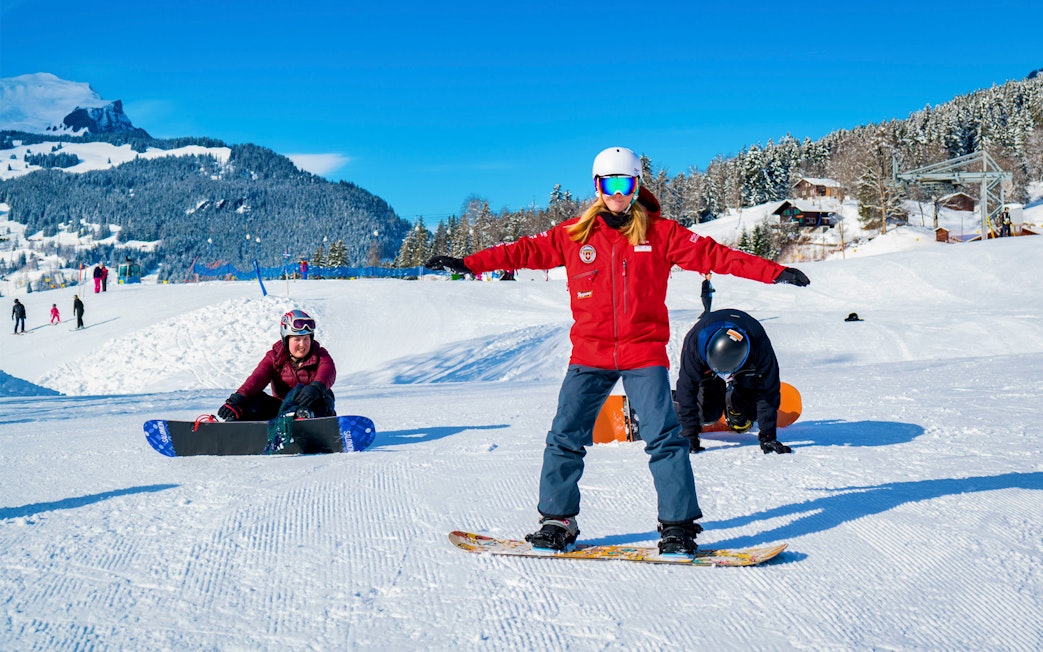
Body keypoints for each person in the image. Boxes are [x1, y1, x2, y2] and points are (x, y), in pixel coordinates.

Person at [424, 146, 810, 556]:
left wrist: (775, 272)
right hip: (589, 354)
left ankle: (678, 528)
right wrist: (469, 264)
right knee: (565, 437)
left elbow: (717, 255)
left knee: (666, 437)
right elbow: (519, 251)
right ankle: (558, 521)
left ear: (637, 185)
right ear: (597, 187)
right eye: (609, 184)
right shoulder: (573, 234)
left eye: (625, 184)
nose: (618, 193)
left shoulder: (661, 233)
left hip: (643, 353)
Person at [675, 308, 793, 456]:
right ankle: (671, 402)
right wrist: (689, 435)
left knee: (750, 412)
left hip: (744, 363)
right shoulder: (695, 345)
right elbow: (687, 388)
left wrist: (768, 437)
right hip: (708, 357)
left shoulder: (760, 349)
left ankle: (733, 401)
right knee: (707, 415)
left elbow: (768, 392)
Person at [217, 309, 337, 422]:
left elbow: (327, 371)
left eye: (306, 339)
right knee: (253, 400)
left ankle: (308, 422)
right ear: (286, 340)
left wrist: (315, 387)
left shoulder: (320, 354)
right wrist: (238, 399)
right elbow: (257, 379)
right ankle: (235, 428)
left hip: (312, 408)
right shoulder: (275, 357)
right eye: (297, 340)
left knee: (324, 394)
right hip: (282, 409)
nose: (302, 344)